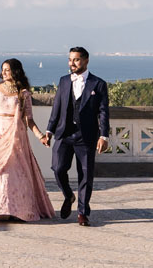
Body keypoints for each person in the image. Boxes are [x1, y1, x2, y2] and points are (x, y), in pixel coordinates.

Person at [0, 59, 57, 222]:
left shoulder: (23, 93)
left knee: (12, 174)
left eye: (8, 70)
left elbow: (29, 120)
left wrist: (40, 136)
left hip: (15, 136)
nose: (4, 73)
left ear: (16, 71)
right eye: (3, 70)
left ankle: (15, 209)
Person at [46, 46, 109, 226]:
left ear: (86, 60)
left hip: (86, 136)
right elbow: (56, 107)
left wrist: (104, 136)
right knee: (57, 168)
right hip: (64, 134)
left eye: (76, 60)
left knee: (86, 175)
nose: (72, 63)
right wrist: (49, 131)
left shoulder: (98, 84)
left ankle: (83, 212)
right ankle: (68, 195)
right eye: (70, 59)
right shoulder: (64, 81)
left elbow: (103, 112)